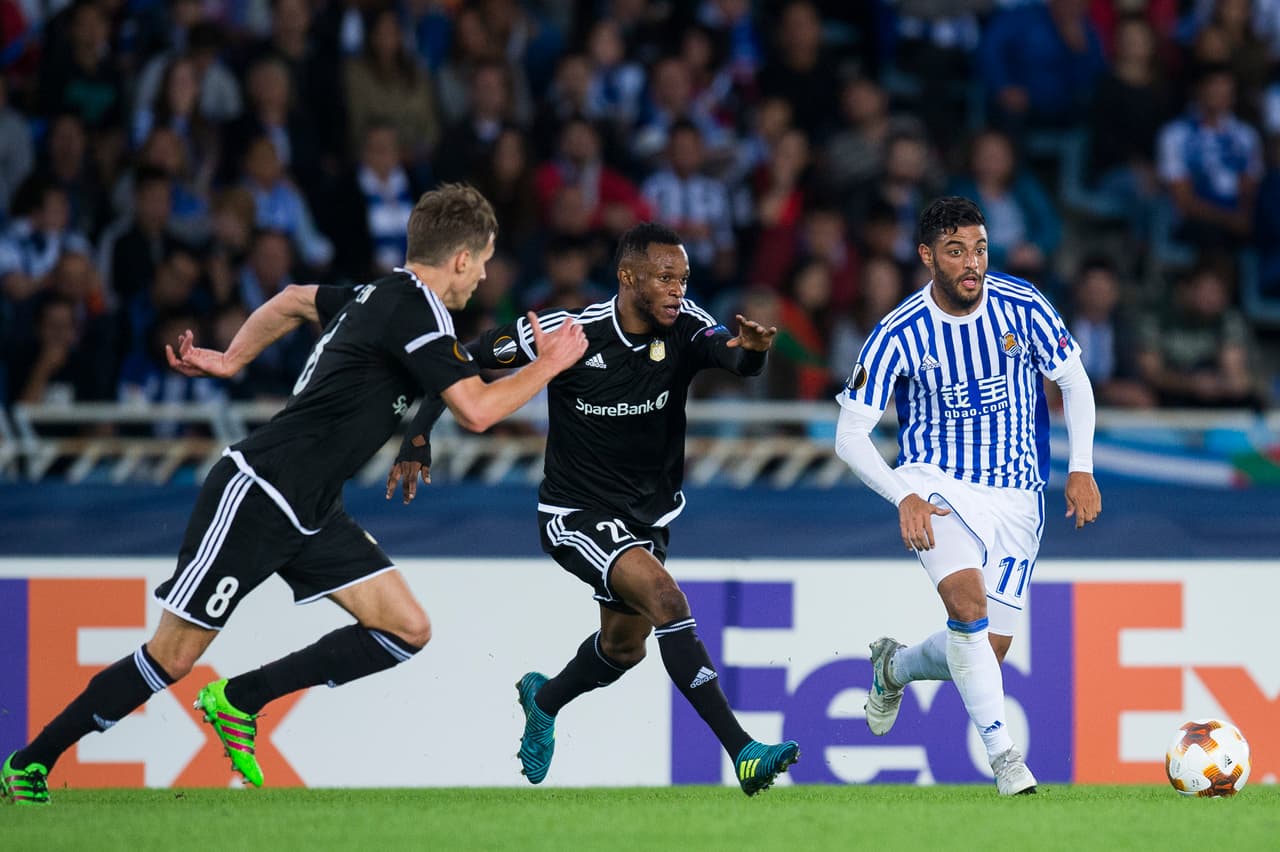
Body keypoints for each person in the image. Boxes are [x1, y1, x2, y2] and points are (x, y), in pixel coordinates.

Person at [0, 184, 588, 805]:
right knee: (171, 656)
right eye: (485, 260)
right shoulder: (414, 310)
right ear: (462, 259)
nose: (486, 275)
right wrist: (549, 362)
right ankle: (30, 763)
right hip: (259, 492)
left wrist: (233, 359)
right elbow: (477, 409)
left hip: (311, 506)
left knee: (404, 628)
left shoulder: (379, 295)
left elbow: (292, 300)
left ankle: (239, 699)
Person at [406, 223, 800, 796]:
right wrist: (419, 433)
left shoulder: (686, 324)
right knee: (667, 599)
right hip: (575, 513)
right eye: (665, 277)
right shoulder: (570, 333)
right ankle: (743, 752)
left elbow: (730, 355)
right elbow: (462, 358)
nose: (677, 289)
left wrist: (755, 354)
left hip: (646, 518)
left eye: (683, 278)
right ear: (627, 277)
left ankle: (544, 700)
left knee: (623, 649)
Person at [833, 196, 1101, 795]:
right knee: (966, 605)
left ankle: (894, 667)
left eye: (979, 249)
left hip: (1018, 496)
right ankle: (1006, 761)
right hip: (936, 484)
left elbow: (1073, 381)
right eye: (956, 251)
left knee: (984, 651)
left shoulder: (1023, 306)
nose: (972, 262)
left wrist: (1081, 467)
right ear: (928, 256)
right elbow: (849, 436)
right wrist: (903, 496)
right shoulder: (899, 332)